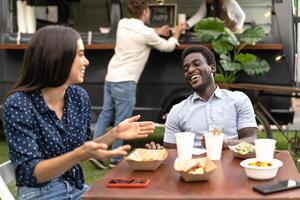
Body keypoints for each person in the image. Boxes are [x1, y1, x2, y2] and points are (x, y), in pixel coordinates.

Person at [3, 25, 155, 200]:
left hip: (76, 189)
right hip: (39, 194)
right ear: (58, 58)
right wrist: (80, 153)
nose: (87, 62)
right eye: (81, 55)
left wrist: (113, 134)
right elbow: (30, 174)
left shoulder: (78, 97)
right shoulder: (19, 104)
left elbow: (83, 149)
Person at [93, 0, 185, 167]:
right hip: (126, 82)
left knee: (105, 115)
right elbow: (167, 47)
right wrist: (176, 33)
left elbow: (141, 32)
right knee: (122, 121)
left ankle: (95, 152)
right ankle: (115, 159)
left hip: (111, 77)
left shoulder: (123, 24)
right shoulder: (145, 33)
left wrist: (156, 31)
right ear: (145, 12)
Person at [146, 45, 257, 150]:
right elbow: (170, 152)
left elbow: (251, 140)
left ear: (212, 68)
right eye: (186, 68)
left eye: (197, 64)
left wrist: (227, 143)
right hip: (194, 167)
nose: (190, 70)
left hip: (231, 165)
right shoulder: (177, 111)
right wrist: (158, 152)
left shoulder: (238, 100)